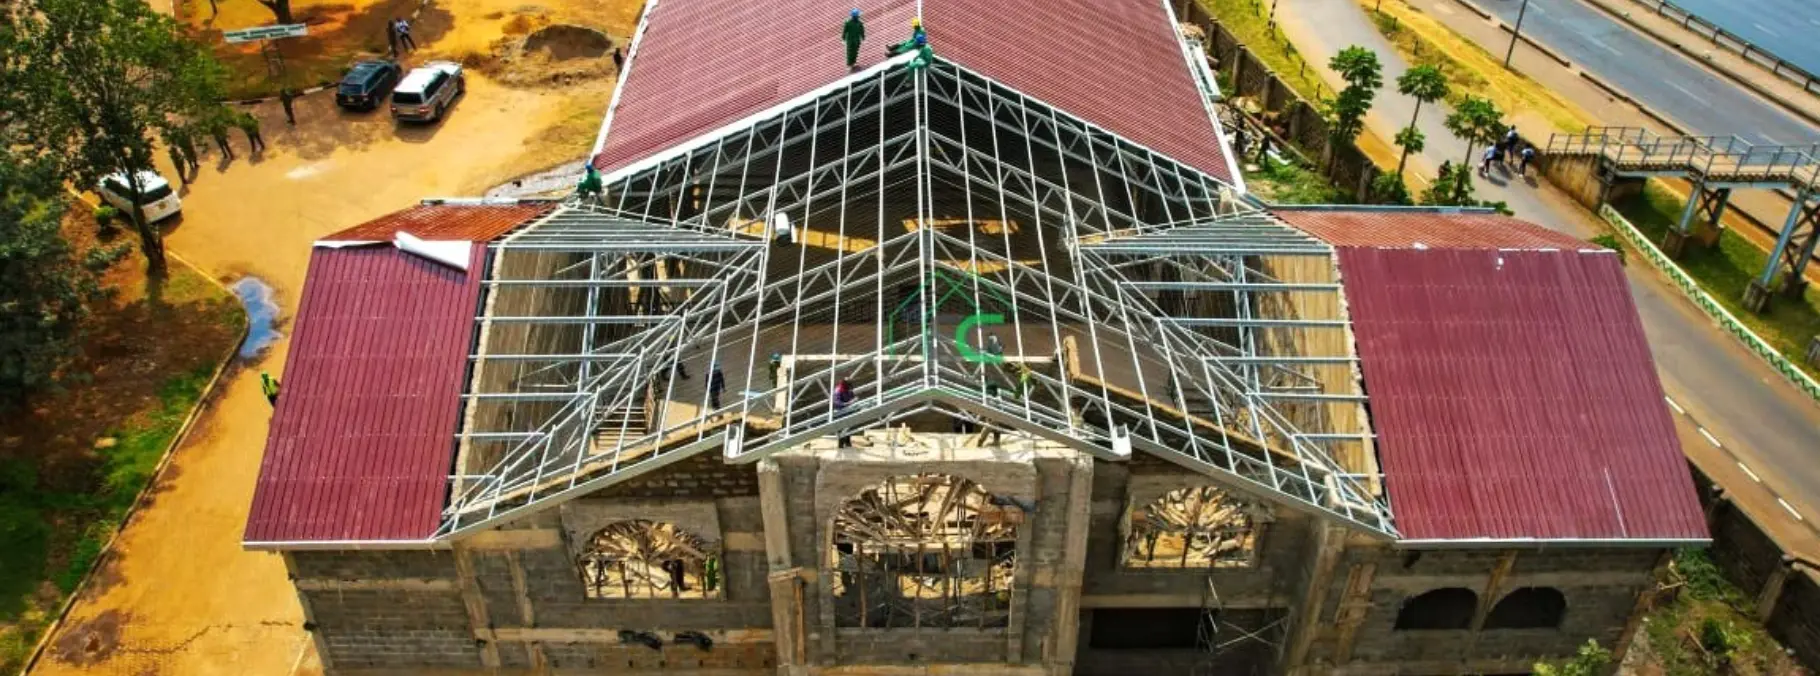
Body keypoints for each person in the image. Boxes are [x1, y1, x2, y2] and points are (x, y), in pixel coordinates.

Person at [833, 379, 856, 447]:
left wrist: (854, 399)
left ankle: (848, 442)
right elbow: (837, 403)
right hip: (840, 412)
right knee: (842, 428)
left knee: (849, 427)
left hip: (848, 411)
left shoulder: (848, 390)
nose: (850, 388)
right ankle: (841, 444)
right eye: (849, 386)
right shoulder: (838, 391)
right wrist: (848, 403)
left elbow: (852, 396)